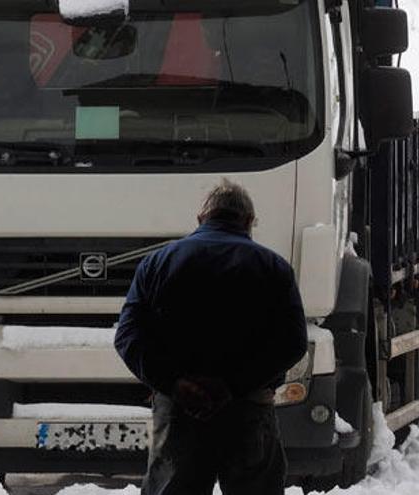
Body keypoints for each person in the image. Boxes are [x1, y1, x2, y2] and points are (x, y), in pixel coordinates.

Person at [115, 180, 307, 495]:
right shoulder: (274, 268)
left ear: (201, 219)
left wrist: (176, 383)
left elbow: (128, 336)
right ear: (248, 222)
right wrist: (233, 386)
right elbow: (293, 342)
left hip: (179, 412)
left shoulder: (158, 263)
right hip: (249, 410)